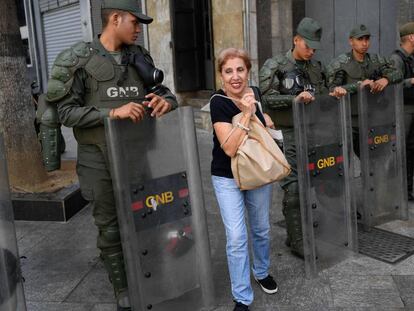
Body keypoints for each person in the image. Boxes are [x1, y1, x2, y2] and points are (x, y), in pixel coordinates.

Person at [45, 1, 178, 310]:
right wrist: (111, 112)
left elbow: (164, 93)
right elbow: (64, 112)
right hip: (98, 160)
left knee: (145, 219)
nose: (139, 28)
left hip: (138, 156)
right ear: (115, 18)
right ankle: (123, 289)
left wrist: (166, 102)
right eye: (134, 21)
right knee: (110, 225)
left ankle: (148, 276)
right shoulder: (78, 59)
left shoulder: (138, 58)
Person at [258, 17, 347, 258]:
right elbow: (265, 98)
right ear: (296, 40)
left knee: (319, 180)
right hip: (287, 133)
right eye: (307, 45)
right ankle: (298, 240)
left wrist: (336, 93)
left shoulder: (317, 68)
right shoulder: (275, 65)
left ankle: (296, 230)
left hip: (314, 132)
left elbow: (325, 96)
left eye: (314, 47)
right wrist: (293, 99)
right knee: (294, 186)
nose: (311, 51)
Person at [210, 48, 277, 311]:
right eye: (228, 71)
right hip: (226, 176)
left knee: (261, 228)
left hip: (258, 171)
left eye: (240, 70)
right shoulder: (218, 101)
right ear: (221, 75)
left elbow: (265, 123)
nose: (235, 77)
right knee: (237, 237)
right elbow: (229, 147)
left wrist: (262, 116)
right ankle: (241, 296)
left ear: (248, 71)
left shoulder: (256, 93)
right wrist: (248, 114)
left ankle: (261, 271)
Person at [326, 24, 402, 156]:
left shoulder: (376, 60)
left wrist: (386, 79)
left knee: (375, 159)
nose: (364, 43)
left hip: (373, 119)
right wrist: (358, 86)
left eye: (367, 39)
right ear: (351, 41)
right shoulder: (340, 63)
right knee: (344, 159)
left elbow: (398, 73)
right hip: (349, 122)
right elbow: (332, 89)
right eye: (360, 39)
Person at [390, 22, 414, 201]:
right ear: (411, 37)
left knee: (410, 150)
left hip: (411, 108)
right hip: (403, 110)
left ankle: (407, 190)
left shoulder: (411, 58)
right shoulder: (397, 59)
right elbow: (392, 86)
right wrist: (410, 81)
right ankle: (398, 190)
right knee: (401, 150)